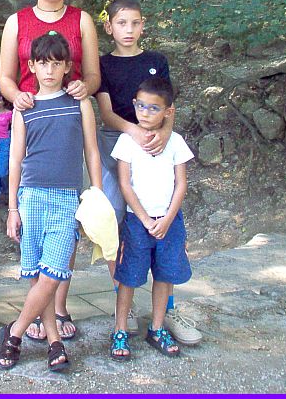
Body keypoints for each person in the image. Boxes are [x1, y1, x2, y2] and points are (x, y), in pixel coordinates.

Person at [0, 0, 101, 340]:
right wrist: (17, 98)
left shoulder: (82, 20)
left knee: (65, 218)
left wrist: (83, 88)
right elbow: (6, 76)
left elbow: (93, 75)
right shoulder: (17, 22)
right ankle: (40, 314)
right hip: (31, 115)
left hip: (69, 113)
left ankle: (58, 306)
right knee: (35, 219)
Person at [96, 0, 202, 345]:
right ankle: (122, 307)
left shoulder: (156, 61)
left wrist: (164, 133)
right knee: (115, 219)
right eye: (121, 23)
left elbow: (169, 104)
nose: (128, 30)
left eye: (134, 23)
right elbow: (107, 113)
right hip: (119, 140)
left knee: (164, 222)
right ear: (109, 27)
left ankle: (166, 312)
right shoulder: (104, 64)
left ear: (143, 25)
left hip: (158, 139)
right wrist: (135, 132)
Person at [109, 76, 194, 359]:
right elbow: (125, 184)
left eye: (153, 108)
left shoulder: (176, 142)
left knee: (165, 274)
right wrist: (145, 220)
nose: (144, 113)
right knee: (129, 277)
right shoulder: (126, 141)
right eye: (140, 106)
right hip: (137, 223)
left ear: (168, 112)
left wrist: (168, 219)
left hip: (169, 222)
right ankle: (120, 329)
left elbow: (181, 183)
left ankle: (157, 328)